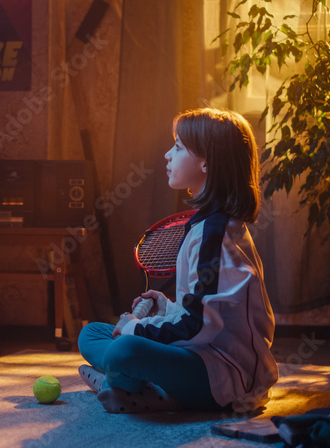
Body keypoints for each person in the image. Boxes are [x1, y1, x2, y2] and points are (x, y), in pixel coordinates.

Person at [77, 108, 277, 415]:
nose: (167, 155)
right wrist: (166, 307)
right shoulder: (206, 225)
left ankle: (130, 388)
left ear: (206, 161)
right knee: (91, 333)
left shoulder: (215, 234)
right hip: (202, 352)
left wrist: (137, 329)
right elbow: (204, 309)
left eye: (178, 147)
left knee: (124, 348)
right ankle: (124, 382)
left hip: (225, 377)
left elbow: (201, 325)